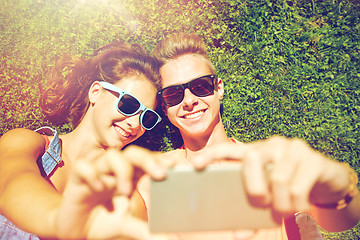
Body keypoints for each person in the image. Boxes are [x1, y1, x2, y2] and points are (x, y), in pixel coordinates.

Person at [133, 33, 360, 239]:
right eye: (174, 94)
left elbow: (341, 222)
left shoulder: (269, 163)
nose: (189, 101)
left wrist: (334, 182)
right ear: (164, 107)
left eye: (201, 86)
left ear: (219, 88)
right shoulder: (151, 178)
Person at [0, 42, 173, 240]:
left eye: (146, 117)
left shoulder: (129, 200)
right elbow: (11, 186)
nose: (135, 123)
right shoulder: (25, 143)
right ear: (96, 92)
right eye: (129, 104)